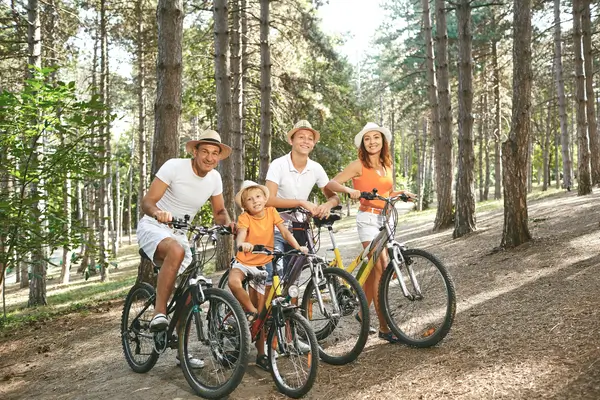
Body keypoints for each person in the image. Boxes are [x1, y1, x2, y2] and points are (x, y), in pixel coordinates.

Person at [137, 129, 233, 367]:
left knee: (190, 292)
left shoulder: (214, 179)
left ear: (219, 157)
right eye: (205, 152)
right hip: (153, 227)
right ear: (195, 151)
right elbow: (147, 201)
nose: (209, 158)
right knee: (177, 251)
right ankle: (159, 313)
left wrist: (230, 224)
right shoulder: (174, 166)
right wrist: (158, 212)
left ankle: (182, 350)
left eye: (214, 154)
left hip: (180, 233)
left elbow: (219, 212)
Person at [325, 122, 415, 343]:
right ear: (363, 144)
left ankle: (360, 309)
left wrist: (401, 192)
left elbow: (386, 191)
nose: (372, 141)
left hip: (386, 218)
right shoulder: (358, 165)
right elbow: (330, 183)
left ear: (383, 141)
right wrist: (349, 191)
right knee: (382, 268)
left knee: (380, 271)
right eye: (368, 139)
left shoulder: (387, 164)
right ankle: (385, 327)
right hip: (367, 220)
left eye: (376, 137)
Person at [228, 180, 308, 371]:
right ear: (245, 205)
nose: (255, 201)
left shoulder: (271, 212)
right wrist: (242, 244)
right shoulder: (245, 218)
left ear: (265, 198)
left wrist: (298, 248)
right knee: (234, 282)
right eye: (249, 199)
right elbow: (241, 233)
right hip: (245, 261)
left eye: (258, 196)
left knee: (263, 312)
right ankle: (249, 311)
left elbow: (285, 232)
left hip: (263, 264)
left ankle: (262, 354)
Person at [264, 119, 340, 284]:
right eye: (301, 137)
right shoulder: (278, 164)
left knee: (294, 279)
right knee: (274, 277)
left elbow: (334, 197)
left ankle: (295, 310)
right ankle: (266, 309)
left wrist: (327, 205)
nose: (306, 141)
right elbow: (268, 200)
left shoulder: (316, 168)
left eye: (310, 138)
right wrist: (300, 202)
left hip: (300, 227)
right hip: (275, 226)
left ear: (313, 144)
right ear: (291, 140)